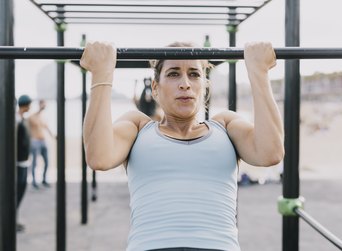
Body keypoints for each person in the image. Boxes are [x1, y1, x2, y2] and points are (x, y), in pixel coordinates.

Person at [80, 41, 284, 251]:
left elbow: (270, 153)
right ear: (155, 87)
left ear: (204, 86)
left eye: (194, 74)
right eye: (173, 74)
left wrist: (259, 72)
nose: (185, 83)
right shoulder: (137, 127)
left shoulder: (226, 125)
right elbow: (99, 157)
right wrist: (101, 74)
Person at [28, 99, 54, 188]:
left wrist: (53, 136)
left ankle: (44, 179)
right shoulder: (32, 116)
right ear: (39, 105)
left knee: (47, 162)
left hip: (43, 141)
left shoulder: (43, 117)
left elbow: (47, 128)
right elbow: (27, 130)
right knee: (35, 162)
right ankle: (34, 181)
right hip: (35, 141)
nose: (44, 106)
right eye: (43, 104)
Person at [16, 94, 32, 232]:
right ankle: (11, 221)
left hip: (24, 161)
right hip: (18, 163)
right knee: (17, 192)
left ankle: (13, 219)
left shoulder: (23, 119)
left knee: (21, 191)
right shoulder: (16, 120)